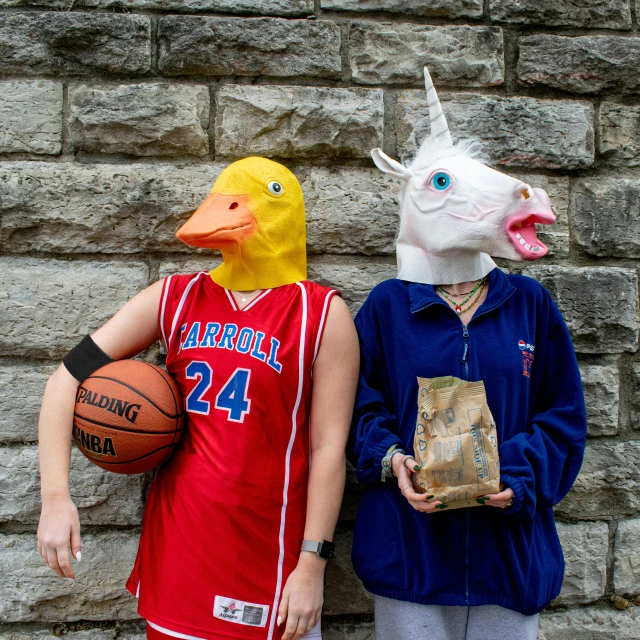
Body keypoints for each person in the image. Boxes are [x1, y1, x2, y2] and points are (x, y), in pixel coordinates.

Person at [37, 157, 360, 640]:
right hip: (179, 552)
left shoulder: (322, 313)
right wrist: (55, 499)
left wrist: (312, 564)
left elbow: (328, 449)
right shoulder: (175, 296)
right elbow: (67, 377)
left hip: (269, 560)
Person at [348, 68, 587, 640]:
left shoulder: (529, 304)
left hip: (508, 560)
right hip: (412, 559)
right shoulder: (384, 308)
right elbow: (353, 409)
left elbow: (564, 417)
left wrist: (520, 475)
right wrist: (391, 460)